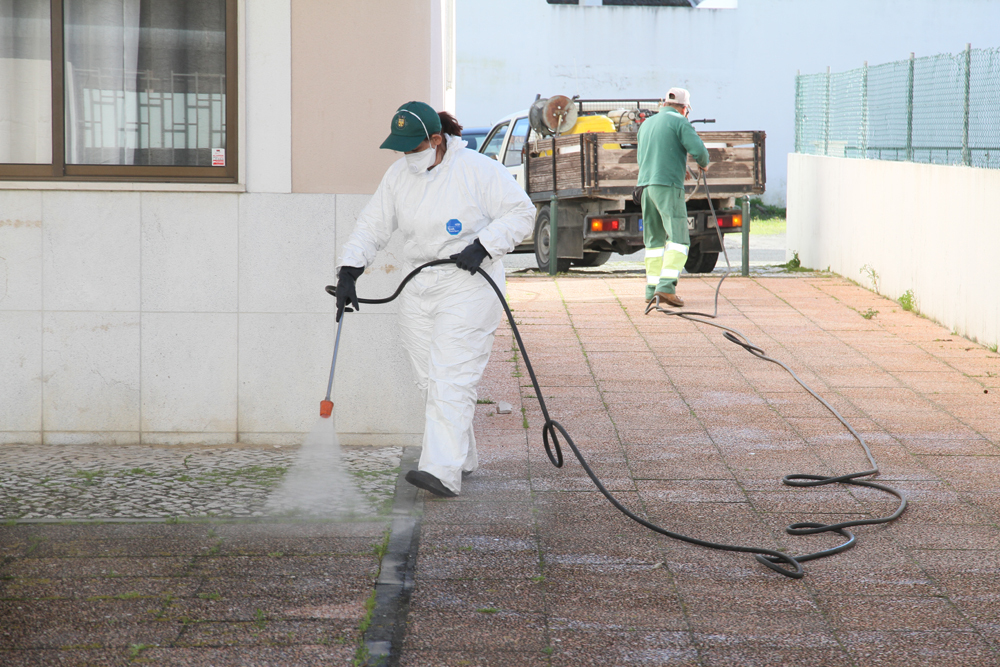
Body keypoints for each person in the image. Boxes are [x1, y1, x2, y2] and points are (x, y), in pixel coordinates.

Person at [335, 101, 535, 498]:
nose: (407, 156)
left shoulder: (477, 171)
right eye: (402, 149)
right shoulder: (398, 177)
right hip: (419, 285)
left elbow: (521, 211)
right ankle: (461, 456)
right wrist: (348, 271)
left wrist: (484, 246)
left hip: (468, 285)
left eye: (414, 147)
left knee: (452, 377)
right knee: (433, 380)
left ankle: (442, 471)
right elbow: (372, 226)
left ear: (436, 140)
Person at [636, 87, 710, 307]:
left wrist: (680, 165)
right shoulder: (680, 122)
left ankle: (652, 289)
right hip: (667, 186)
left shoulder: (647, 124)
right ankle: (667, 287)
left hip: (646, 187)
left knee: (654, 242)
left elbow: (649, 155)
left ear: (664, 104)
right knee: (678, 239)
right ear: (684, 108)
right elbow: (699, 151)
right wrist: (703, 164)